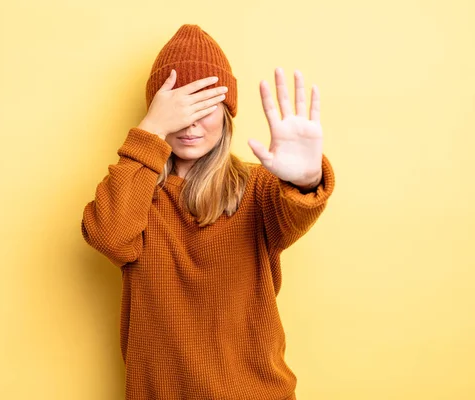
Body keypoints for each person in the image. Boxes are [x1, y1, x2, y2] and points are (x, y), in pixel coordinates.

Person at [81, 24, 335, 400]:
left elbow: (294, 212)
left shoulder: (259, 188)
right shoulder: (137, 193)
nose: (190, 122)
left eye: (206, 106)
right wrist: (150, 129)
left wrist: (307, 178)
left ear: (227, 114)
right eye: (178, 108)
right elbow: (109, 237)